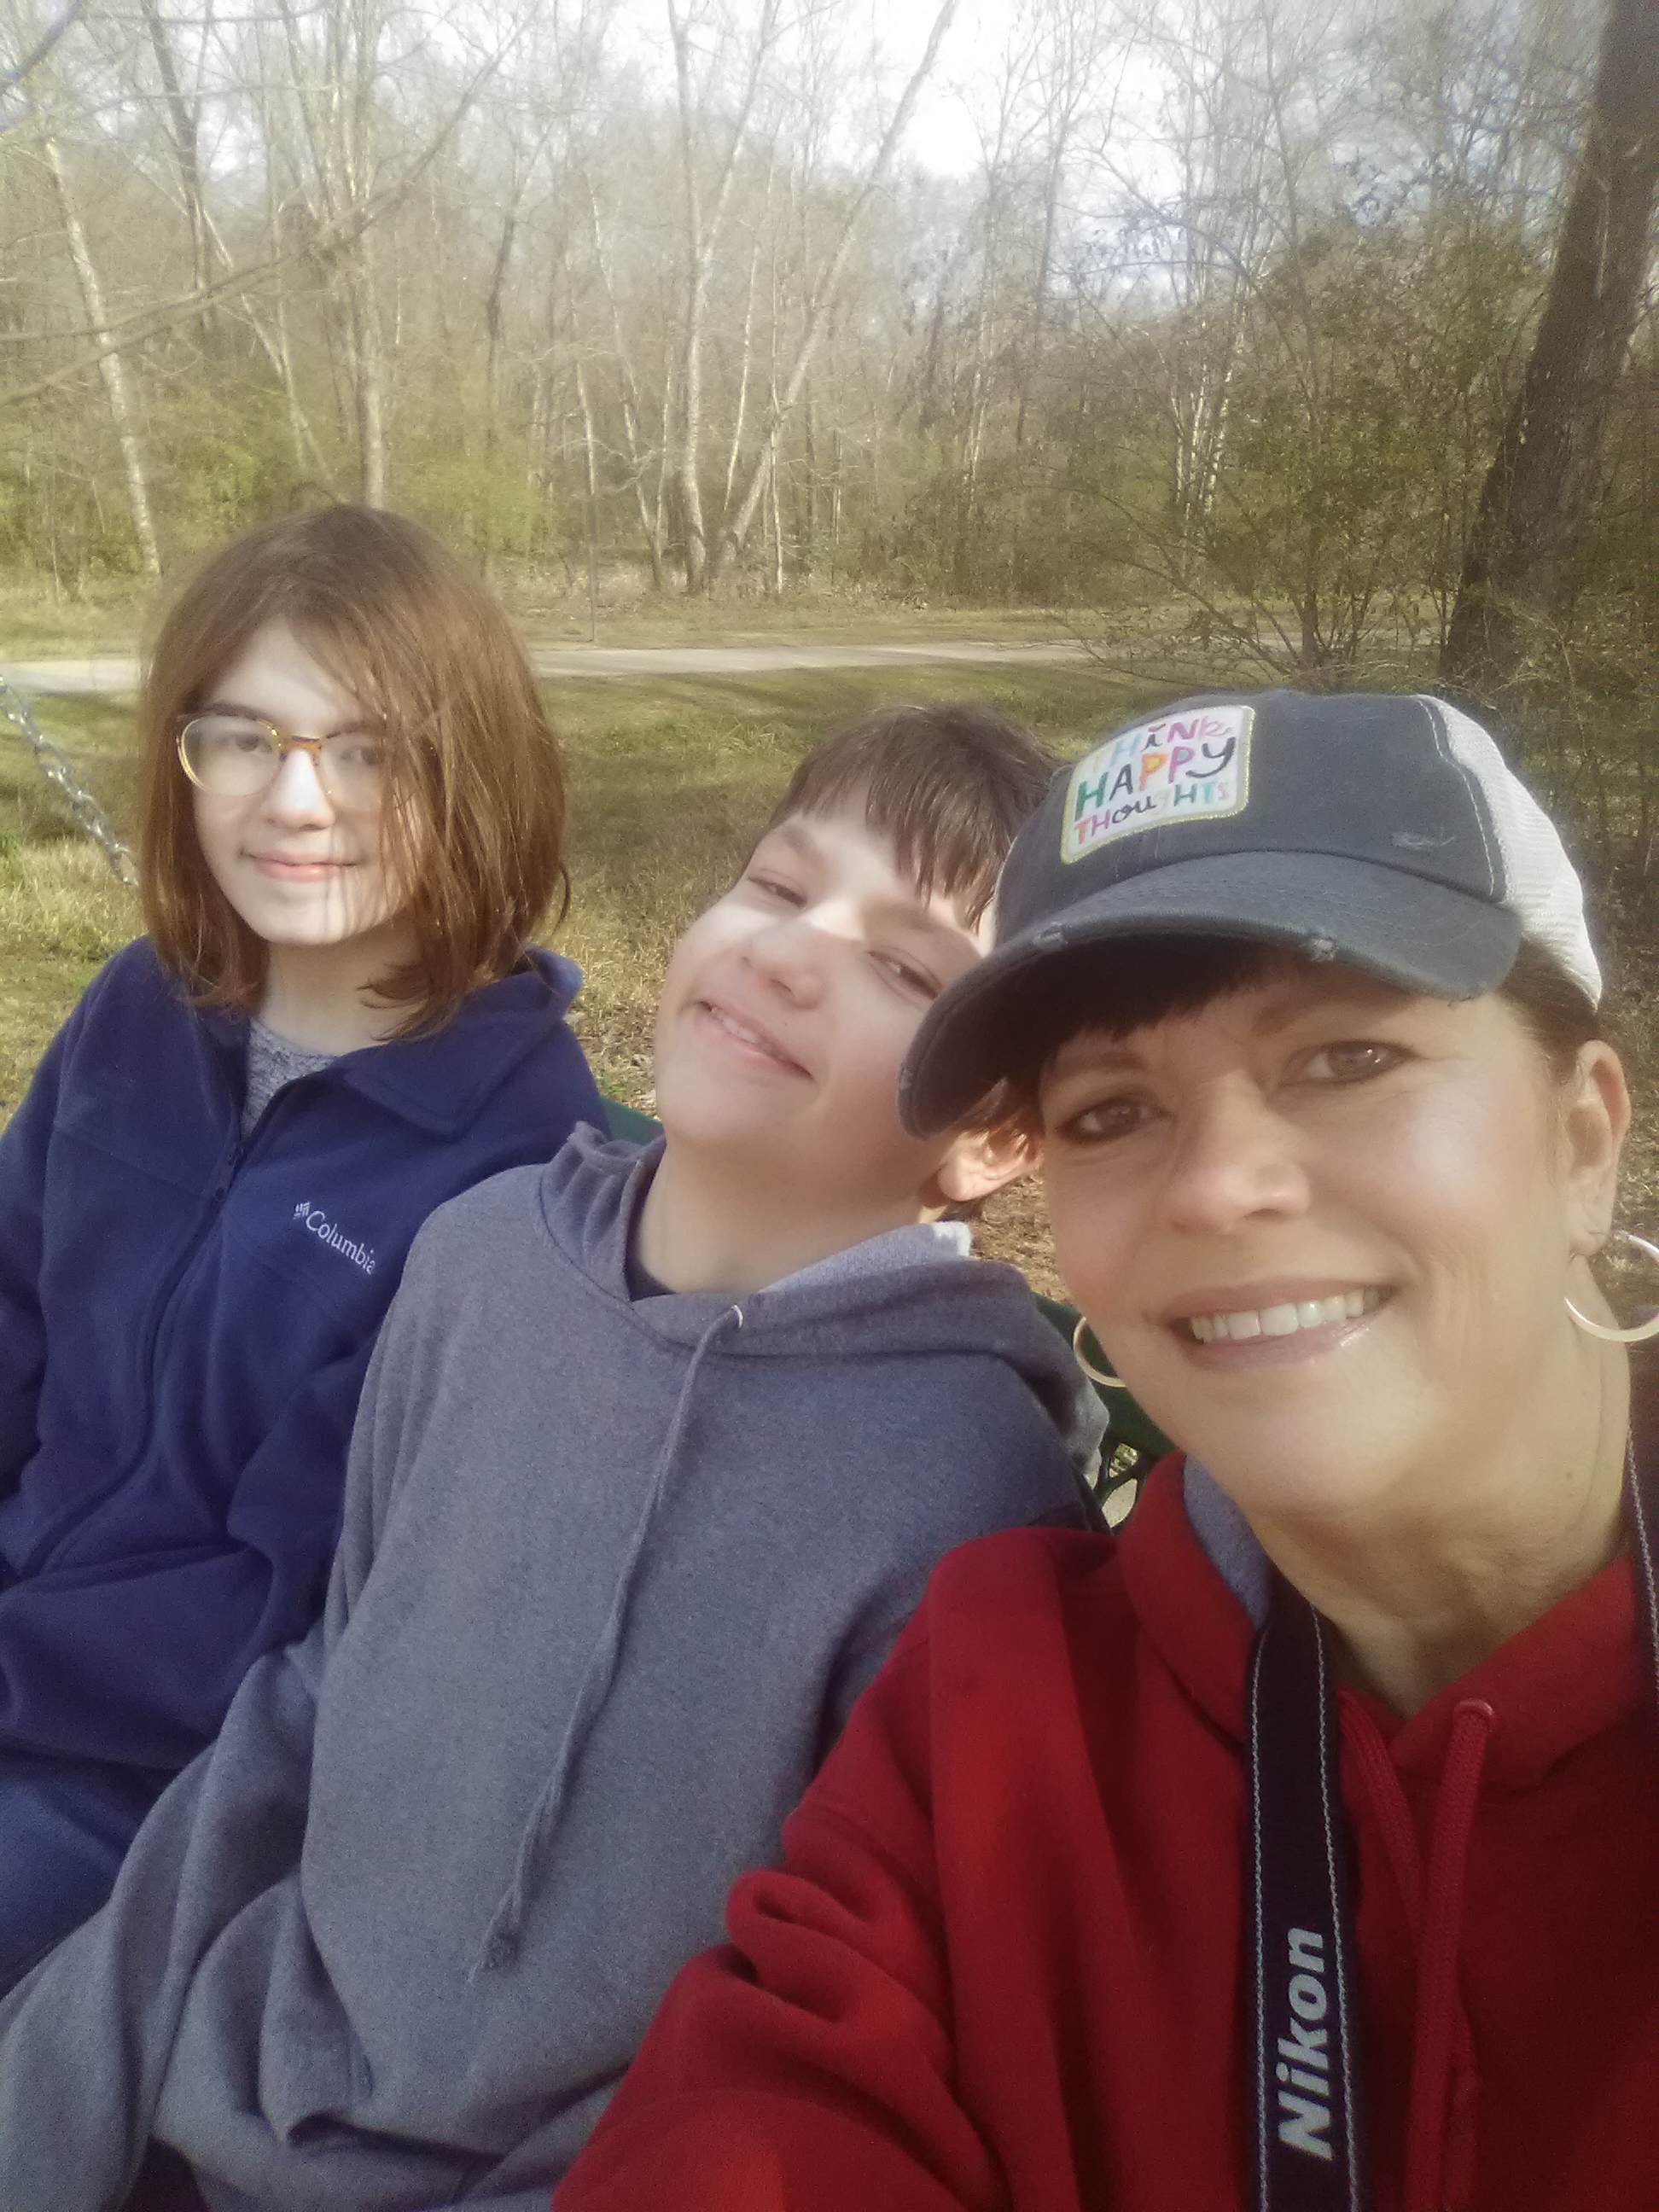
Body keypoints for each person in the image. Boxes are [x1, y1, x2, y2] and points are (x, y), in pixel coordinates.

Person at [553, 688, 1659, 2212]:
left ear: (1584, 1140)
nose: (1217, 1186)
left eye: (1346, 1059)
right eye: (1112, 1110)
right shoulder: (998, 1707)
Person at [0, 702, 1106, 2212]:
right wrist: (58, 2077)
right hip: (216, 2085)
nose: (792, 952)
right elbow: (309, 1704)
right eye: (780, 885)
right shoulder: (475, 1264)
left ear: (993, 1142)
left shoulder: (969, 1493)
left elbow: (798, 2032)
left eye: (907, 968)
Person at [0, 505, 602, 1996]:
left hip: (153, 1787)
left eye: (370, 751)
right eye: (244, 739)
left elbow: (300, 1603)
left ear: (470, 774)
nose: (296, 800)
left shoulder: (512, 1161)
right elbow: (11, 1311)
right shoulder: (140, 1010)